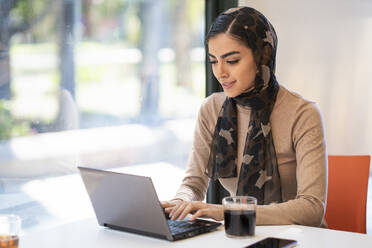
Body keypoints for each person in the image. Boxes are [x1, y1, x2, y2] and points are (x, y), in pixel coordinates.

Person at [162, 6, 327, 227]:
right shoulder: (211, 109)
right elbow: (193, 184)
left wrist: (227, 212)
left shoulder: (303, 114)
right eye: (213, 61)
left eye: (232, 61)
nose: (220, 72)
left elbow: (311, 208)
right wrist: (179, 202)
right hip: (239, 236)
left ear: (263, 55)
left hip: (299, 238)